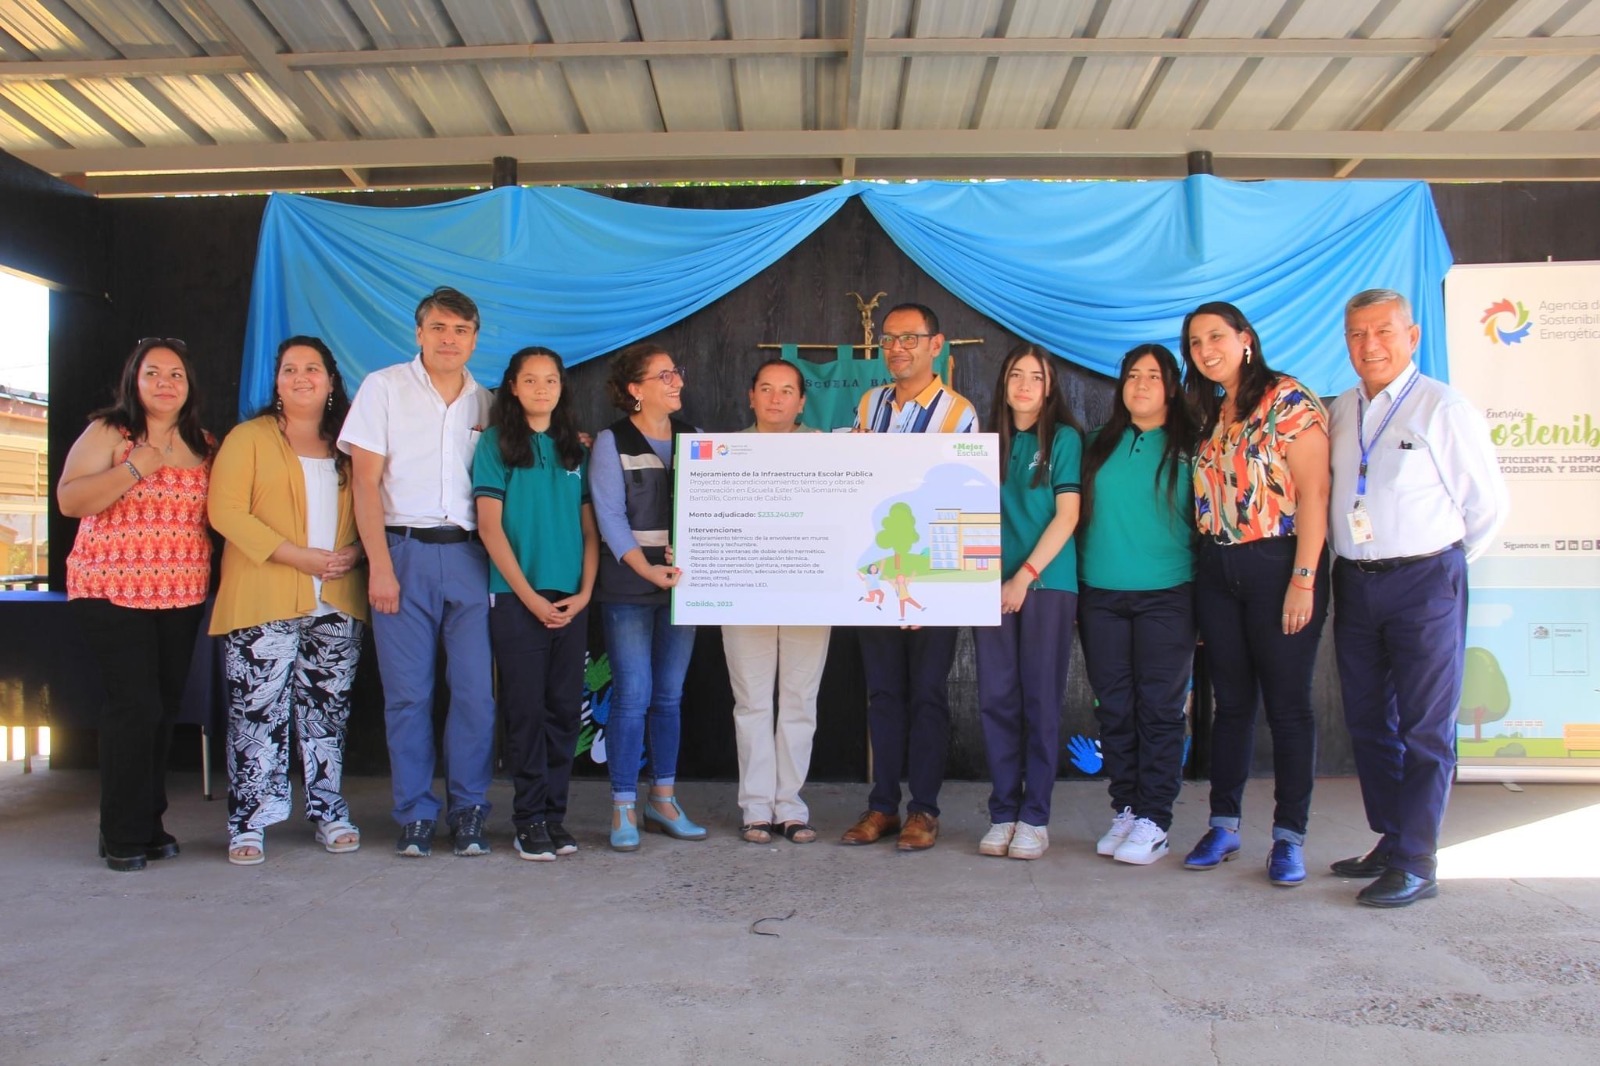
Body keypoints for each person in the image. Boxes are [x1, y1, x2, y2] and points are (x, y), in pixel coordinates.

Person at [1327, 289, 1509, 907]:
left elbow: (1484, 509)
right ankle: (1393, 836)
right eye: (1356, 334)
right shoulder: (1342, 409)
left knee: (1427, 726)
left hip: (1425, 581)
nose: (1369, 344)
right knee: (1370, 721)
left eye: (1382, 331)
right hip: (1355, 582)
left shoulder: (1443, 407)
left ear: (1412, 336)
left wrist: (1436, 566)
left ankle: (1419, 861)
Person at [338, 286, 495, 858]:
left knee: (476, 694)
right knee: (408, 695)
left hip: (472, 556)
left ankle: (470, 809)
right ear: (418, 333)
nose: (449, 339)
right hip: (401, 552)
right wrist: (379, 565)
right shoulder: (384, 388)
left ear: (475, 338)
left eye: (461, 330)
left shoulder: (488, 402)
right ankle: (414, 812)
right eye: (438, 328)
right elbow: (364, 482)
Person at [1181, 300, 1330, 887]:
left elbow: (1315, 495)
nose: (1205, 350)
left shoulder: (1288, 400)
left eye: (1215, 336)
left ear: (1246, 339)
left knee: (1289, 708)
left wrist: (1303, 579)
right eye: (1194, 343)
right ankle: (1223, 825)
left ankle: (1289, 839)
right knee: (1231, 705)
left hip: (1279, 564)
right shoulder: (1212, 411)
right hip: (1218, 568)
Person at [208, 336, 367, 866]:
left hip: (337, 600)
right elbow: (225, 512)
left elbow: (376, 506)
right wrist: (298, 557)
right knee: (257, 714)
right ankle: (249, 821)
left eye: (313, 368)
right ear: (276, 382)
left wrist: (355, 549)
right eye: (290, 369)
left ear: (330, 380)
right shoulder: (247, 438)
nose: (302, 377)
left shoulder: (350, 443)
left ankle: (328, 811)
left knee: (328, 715)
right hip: (264, 596)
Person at [58, 337, 214, 872]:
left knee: (164, 708)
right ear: (134, 381)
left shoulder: (205, 444)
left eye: (175, 374)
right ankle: (119, 832)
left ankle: (149, 822)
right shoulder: (110, 432)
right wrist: (134, 468)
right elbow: (70, 499)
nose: (165, 383)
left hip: (181, 593)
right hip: (110, 590)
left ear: (189, 385)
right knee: (134, 707)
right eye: (153, 373)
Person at [841, 302, 978, 852]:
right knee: (882, 694)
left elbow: (950, 501)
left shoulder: (958, 412)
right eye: (889, 339)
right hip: (875, 574)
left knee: (926, 694)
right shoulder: (870, 402)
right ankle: (881, 807)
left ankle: (923, 810)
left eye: (909, 338)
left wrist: (922, 590)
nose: (896, 348)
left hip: (931, 580)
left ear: (935, 344)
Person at [473, 346, 598, 861]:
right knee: (525, 712)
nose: (542, 388)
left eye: (551, 379)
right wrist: (527, 596)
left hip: (571, 600)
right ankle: (527, 820)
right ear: (514, 387)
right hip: (515, 597)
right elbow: (488, 526)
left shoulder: (576, 450)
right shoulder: (496, 444)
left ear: (561, 387)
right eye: (531, 380)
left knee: (565, 712)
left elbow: (590, 531)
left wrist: (585, 593)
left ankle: (554, 816)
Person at [1077, 344, 1198, 866]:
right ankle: (1125, 807)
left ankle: (1155, 818)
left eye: (1153, 375)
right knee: (1116, 709)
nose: (1141, 384)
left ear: (1171, 386)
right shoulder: (1097, 445)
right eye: (1132, 375)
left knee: (1160, 711)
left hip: (1167, 595)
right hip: (1099, 594)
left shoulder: (1193, 446)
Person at [590, 343, 706, 851]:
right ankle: (622, 806)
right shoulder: (610, 441)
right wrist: (647, 570)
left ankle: (663, 799)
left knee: (669, 696)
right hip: (630, 589)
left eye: (677, 371)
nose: (676, 381)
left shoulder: (697, 440)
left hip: (684, 589)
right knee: (633, 695)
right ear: (636, 390)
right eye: (664, 375)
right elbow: (610, 518)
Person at [973, 343, 1081, 861]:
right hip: (987, 586)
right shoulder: (983, 443)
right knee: (997, 699)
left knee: (1040, 701)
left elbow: (1066, 516)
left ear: (1049, 387)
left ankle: (1034, 817)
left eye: (1035, 378)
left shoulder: (1062, 439)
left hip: (1045, 584)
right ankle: (1002, 814)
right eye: (1016, 374)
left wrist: (1024, 576)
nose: (1024, 385)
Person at [723, 359, 831, 845]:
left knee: (799, 700)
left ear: (802, 401)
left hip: (810, 590)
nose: (775, 398)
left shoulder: (826, 451)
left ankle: (790, 804)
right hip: (745, 591)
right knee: (751, 701)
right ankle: (755, 807)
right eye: (765, 388)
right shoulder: (726, 453)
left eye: (787, 390)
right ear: (750, 396)